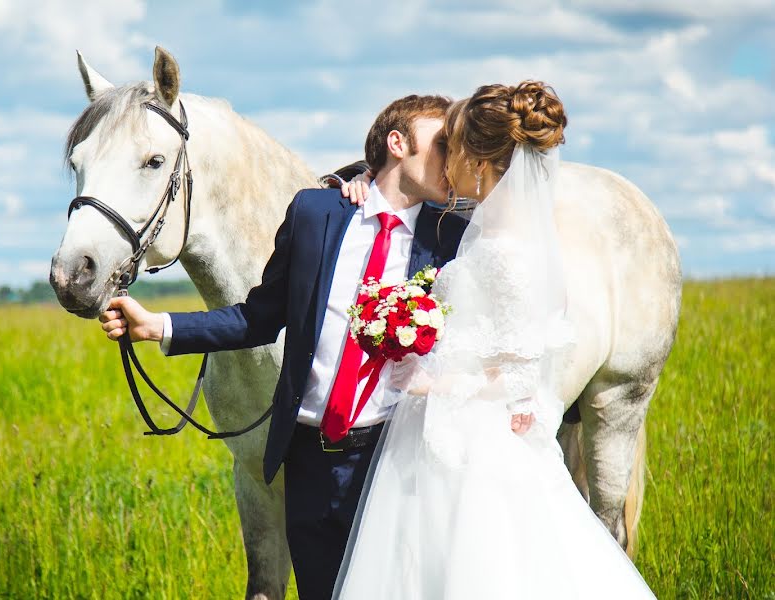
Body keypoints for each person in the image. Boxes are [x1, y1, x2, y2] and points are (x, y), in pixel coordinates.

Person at [100, 95, 530, 600]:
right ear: (397, 144)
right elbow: (256, 317)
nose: (453, 154)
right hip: (307, 462)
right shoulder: (316, 213)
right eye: (441, 143)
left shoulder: (451, 234)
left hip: (392, 461)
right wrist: (157, 326)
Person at [332, 81, 656, 599]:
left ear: (478, 161)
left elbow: (521, 367)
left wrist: (430, 382)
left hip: (468, 442)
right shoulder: (488, 230)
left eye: (452, 148)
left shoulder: (509, 251)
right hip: (446, 431)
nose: (446, 162)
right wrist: (357, 177)